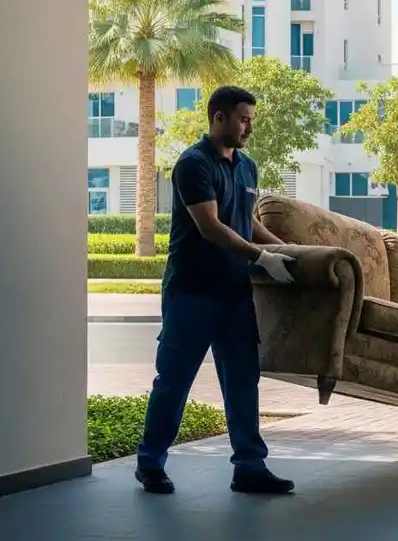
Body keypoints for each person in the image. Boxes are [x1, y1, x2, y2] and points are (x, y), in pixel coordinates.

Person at [134, 85, 298, 495]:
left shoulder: (247, 167)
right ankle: (150, 463)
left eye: (251, 120)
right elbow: (210, 226)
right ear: (218, 117)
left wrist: (288, 253)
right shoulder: (193, 164)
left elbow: (247, 222)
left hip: (234, 293)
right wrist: (261, 259)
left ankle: (249, 468)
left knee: (243, 380)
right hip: (192, 291)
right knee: (174, 381)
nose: (249, 127)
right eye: (243, 119)